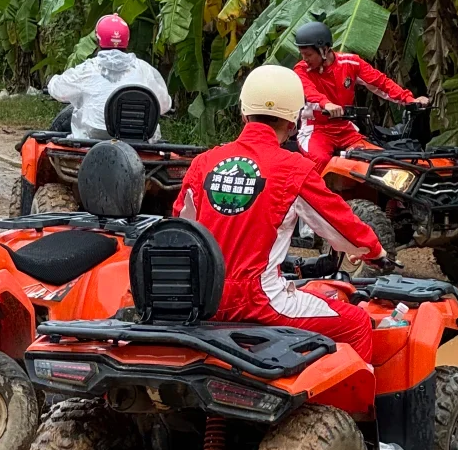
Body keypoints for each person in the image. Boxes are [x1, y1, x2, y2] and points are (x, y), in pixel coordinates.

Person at [174, 65, 388, 360]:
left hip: (203, 298)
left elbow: (182, 227)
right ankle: (349, 393)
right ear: (293, 121)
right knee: (357, 323)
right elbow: (340, 223)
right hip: (260, 300)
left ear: (244, 113)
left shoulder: (204, 162)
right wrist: (373, 252)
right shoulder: (294, 169)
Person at [293, 21, 429, 172]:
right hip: (315, 130)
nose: (305, 59)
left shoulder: (350, 63)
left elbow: (380, 82)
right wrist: (326, 104)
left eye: (308, 55)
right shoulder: (301, 70)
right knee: (320, 161)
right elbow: (308, 91)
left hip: (345, 128)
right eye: (302, 54)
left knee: (376, 160)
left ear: (324, 50)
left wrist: (409, 99)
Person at [47, 14, 172, 141]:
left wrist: (51, 81)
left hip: (93, 137)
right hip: (140, 139)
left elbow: (59, 91)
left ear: (98, 40)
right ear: (127, 41)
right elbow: (164, 105)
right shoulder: (144, 69)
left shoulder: (87, 69)